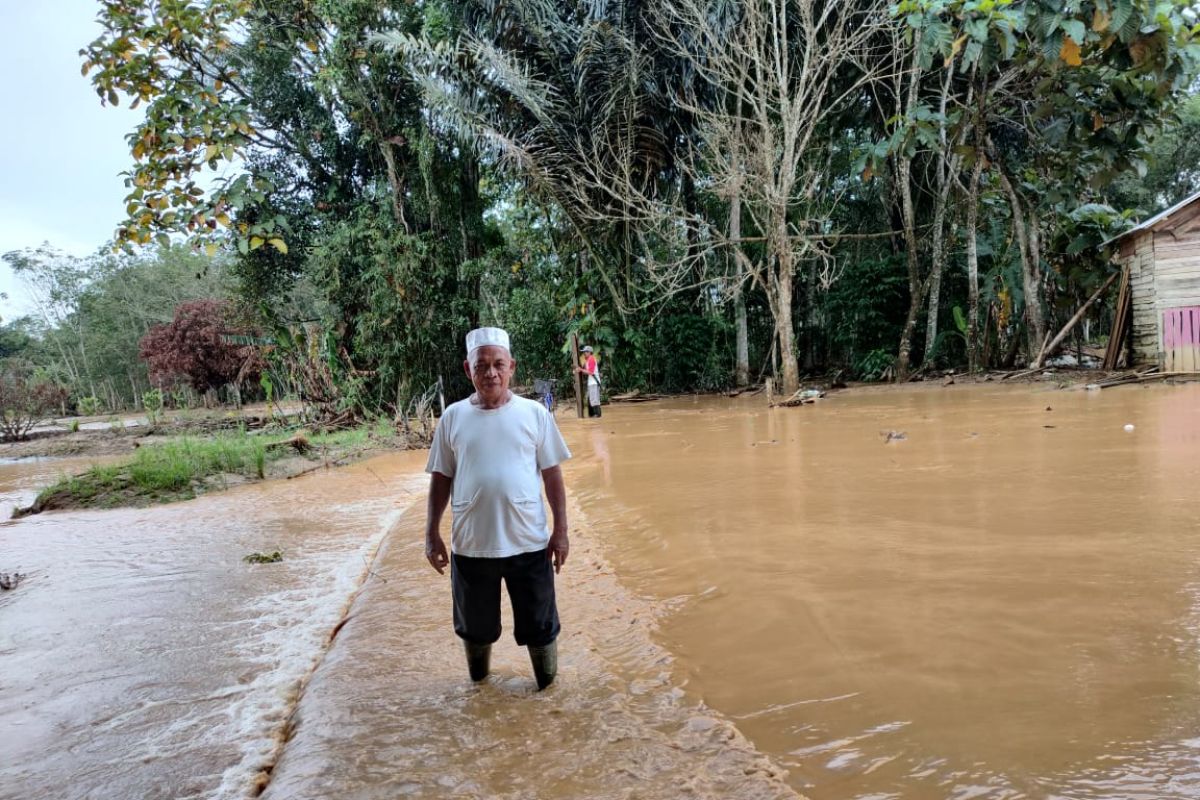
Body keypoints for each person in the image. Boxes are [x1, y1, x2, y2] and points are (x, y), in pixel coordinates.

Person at [424, 326, 572, 690]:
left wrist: (561, 532)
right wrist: (431, 534)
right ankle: (480, 690)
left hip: (530, 544)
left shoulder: (535, 414)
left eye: (498, 364)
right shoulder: (453, 418)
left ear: (512, 368)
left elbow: (553, 476)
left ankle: (548, 696)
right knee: (474, 630)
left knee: (541, 627)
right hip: (472, 548)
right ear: (467, 369)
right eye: (482, 365)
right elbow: (441, 478)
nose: (490, 372)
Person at [576, 345, 602, 418]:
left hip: (594, 383)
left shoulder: (591, 359)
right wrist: (579, 370)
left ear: (590, 352)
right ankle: (594, 415)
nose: (584, 353)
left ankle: (597, 415)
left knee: (594, 400)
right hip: (591, 383)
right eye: (584, 352)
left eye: (585, 352)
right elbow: (586, 372)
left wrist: (580, 370)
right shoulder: (588, 360)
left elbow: (590, 372)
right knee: (592, 399)